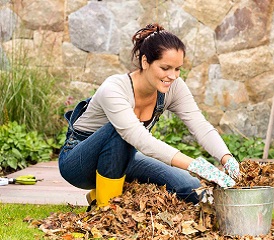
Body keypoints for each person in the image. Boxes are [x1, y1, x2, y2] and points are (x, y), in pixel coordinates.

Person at [58, 23, 240, 209]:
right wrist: (199, 166)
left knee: (191, 188)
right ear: (145, 62)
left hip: (125, 159)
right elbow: (140, 138)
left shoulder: (173, 87)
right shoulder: (114, 88)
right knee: (119, 132)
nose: (173, 76)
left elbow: (200, 125)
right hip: (79, 163)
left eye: (177, 69)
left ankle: (109, 192)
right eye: (165, 68)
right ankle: (105, 210)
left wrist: (227, 159)